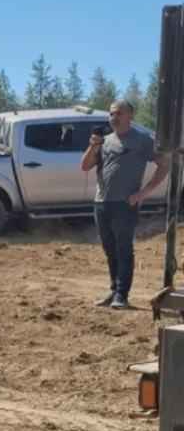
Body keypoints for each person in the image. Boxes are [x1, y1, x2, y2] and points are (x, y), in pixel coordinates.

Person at [81, 100, 169, 310]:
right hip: (101, 203)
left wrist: (143, 193)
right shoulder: (104, 141)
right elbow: (85, 166)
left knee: (123, 248)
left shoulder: (142, 140)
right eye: (111, 114)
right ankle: (113, 291)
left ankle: (122, 295)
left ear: (131, 115)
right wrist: (93, 146)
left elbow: (164, 165)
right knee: (110, 249)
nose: (114, 117)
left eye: (119, 113)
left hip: (125, 204)